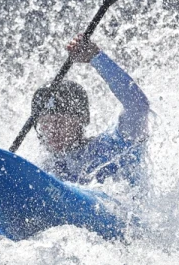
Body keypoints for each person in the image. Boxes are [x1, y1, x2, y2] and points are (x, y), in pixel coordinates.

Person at [31, 34, 150, 185]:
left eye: (60, 121)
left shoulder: (114, 145)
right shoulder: (43, 168)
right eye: (45, 123)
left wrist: (96, 58)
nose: (53, 130)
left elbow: (138, 107)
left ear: (81, 120)